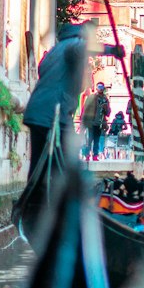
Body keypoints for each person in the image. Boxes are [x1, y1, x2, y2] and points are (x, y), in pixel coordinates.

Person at [20, 23, 85, 215]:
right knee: (69, 158)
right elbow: (81, 49)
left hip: (35, 112)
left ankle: (33, 204)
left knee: (38, 160)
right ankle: (67, 203)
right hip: (53, 114)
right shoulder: (74, 44)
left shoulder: (52, 53)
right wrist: (112, 50)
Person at [81, 82, 110, 161]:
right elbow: (85, 108)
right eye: (99, 87)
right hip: (91, 122)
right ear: (96, 88)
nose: (101, 88)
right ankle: (87, 155)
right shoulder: (91, 97)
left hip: (99, 123)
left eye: (102, 87)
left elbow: (108, 113)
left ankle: (95, 155)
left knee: (97, 140)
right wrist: (84, 121)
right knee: (89, 140)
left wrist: (106, 107)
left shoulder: (105, 99)